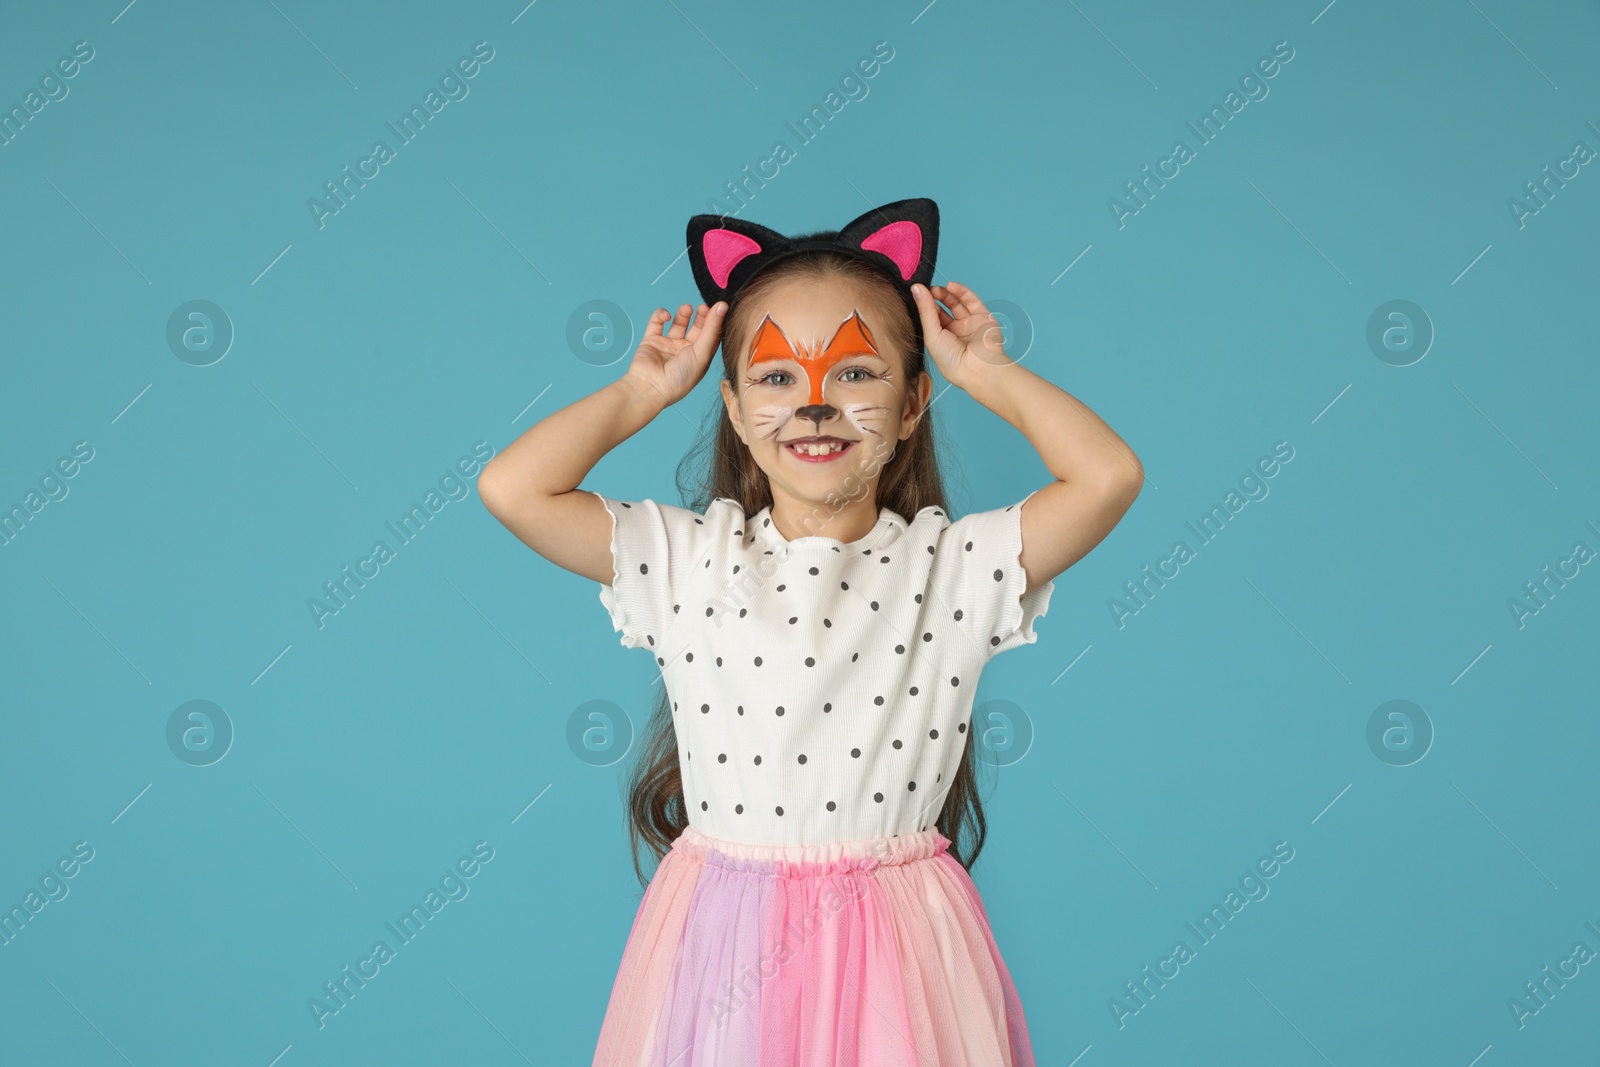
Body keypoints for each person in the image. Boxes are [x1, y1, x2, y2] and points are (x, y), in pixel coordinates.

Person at [480, 198, 1143, 1066]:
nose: (816, 404)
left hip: (897, 950)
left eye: (858, 375)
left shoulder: (951, 568)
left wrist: (986, 373)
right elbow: (512, 488)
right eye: (776, 377)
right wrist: (640, 391)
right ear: (733, 404)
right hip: (722, 945)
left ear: (912, 405)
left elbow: (1108, 476)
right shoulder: (687, 559)